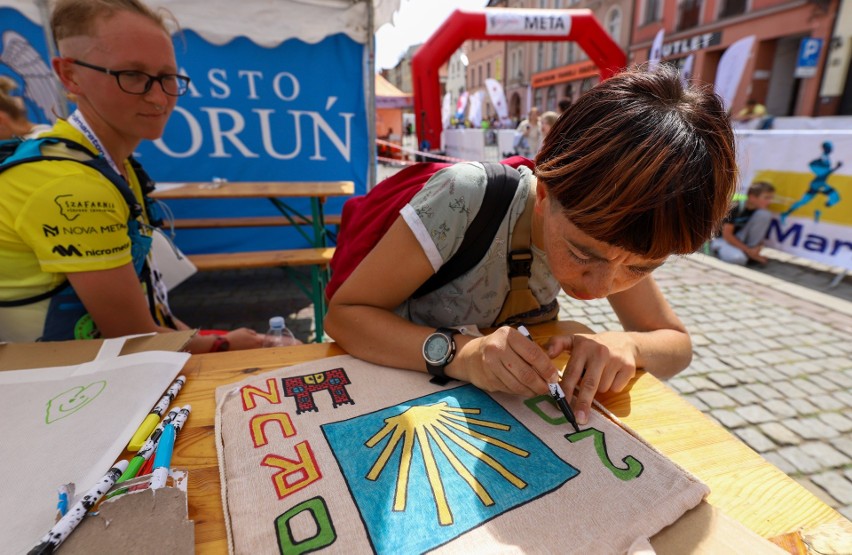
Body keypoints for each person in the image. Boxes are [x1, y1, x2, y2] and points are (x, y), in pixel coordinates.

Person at [325, 65, 737, 426]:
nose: (598, 288)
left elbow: (676, 345)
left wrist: (628, 344)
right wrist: (464, 356)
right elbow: (344, 317)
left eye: (641, 269)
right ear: (544, 193)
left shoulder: (617, 239)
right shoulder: (465, 198)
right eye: (580, 254)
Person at [0, 0, 263, 353]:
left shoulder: (104, 163)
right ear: (69, 75)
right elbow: (133, 338)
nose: (158, 97)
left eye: (167, 77)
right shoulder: (70, 185)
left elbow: (152, 312)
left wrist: (213, 341)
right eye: (133, 76)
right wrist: (227, 344)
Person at [711, 181, 776, 266]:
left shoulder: (758, 211)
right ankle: (720, 250)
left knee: (765, 214)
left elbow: (758, 235)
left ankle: (748, 253)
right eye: (766, 198)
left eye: (771, 198)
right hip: (723, 240)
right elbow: (727, 235)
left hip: (740, 240)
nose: (769, 201)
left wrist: (757, 247)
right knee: (738, 259)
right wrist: (749, 251)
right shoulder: (736, 206)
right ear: (752, 197)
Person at [781, 141, 842, 224]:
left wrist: (835, 168)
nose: (831, 149)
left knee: (805, 201)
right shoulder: (823, 158)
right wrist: (836, 168)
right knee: (835, 197)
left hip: (818, 183)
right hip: (818, 183)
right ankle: (818, 210)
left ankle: (786, 214)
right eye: (830, 148)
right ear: (826, 148)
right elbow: (823, 172)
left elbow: (823, 172)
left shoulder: (826, 158)